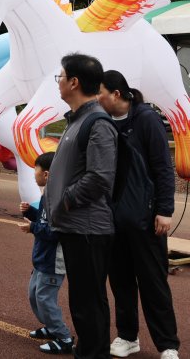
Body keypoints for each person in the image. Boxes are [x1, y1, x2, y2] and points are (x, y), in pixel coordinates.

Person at [98, 70, 180, 359]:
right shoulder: (104, 122)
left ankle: (168, 344)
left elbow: (163, 167)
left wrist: (164, 210)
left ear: (116, 94)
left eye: (100, 94)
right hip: (114, 219)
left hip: (145, 219)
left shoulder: (146, 119)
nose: (97, 99)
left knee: (153, 283)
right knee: (120, 281)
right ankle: (127, 336)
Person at [45, 53, 117, 359]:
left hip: (87, 227)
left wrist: (66, 201)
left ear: (74, 82)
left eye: (60, 77)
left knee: (88, 303)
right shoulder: (78, 119)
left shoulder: (97, 122)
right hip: (75, 224)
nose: (58, 82)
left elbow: (100, 177)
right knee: (84, 301)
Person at [19, 151, 73, 355]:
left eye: (36, 170)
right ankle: (51, 327)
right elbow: (43, 220)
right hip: (42, 258)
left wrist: (32, 228)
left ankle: (64, 337)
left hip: (52, 260)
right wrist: (30, 212)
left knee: (44, 298)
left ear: (47, 174)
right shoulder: (47, 194)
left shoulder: (57, 198)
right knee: (34, 295)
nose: (34, 174)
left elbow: (54, 231)